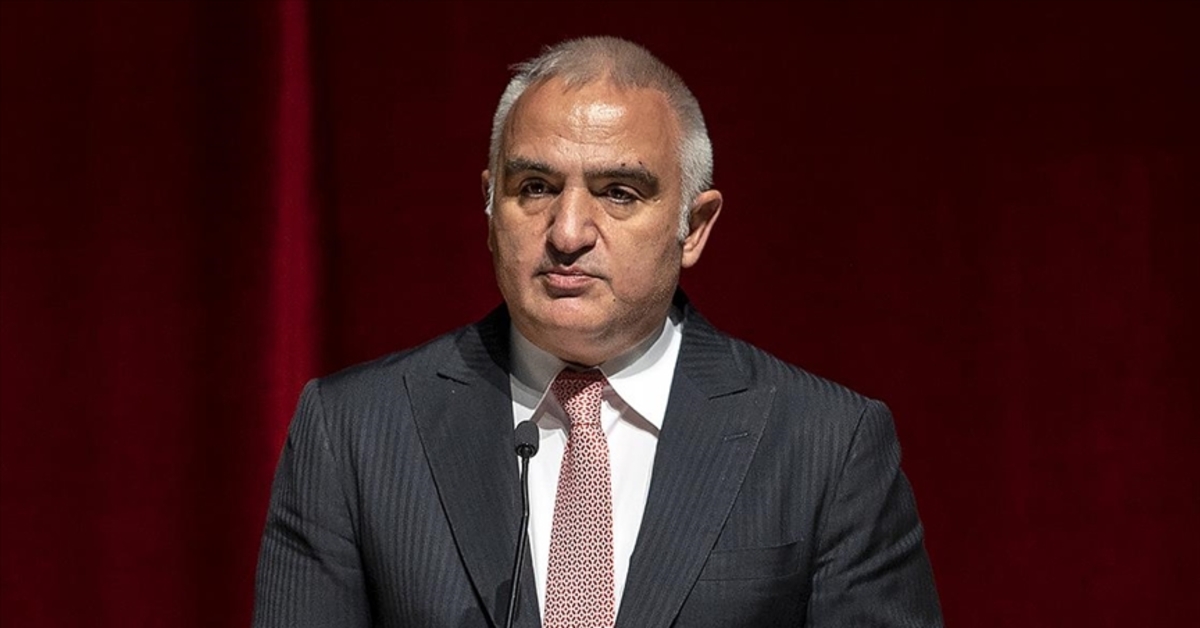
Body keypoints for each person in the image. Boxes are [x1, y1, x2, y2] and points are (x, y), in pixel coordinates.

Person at [254, 36, 942, 627]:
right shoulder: (353, 433)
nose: (568, 232)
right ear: (490, 205)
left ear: (694, 227)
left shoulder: (826, 446)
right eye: (535, 187)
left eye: (619, 193)